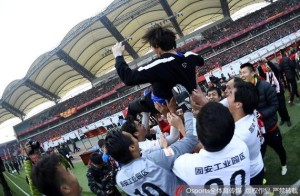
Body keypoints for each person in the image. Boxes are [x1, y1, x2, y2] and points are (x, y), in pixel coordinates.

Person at [105, 84, 198, 195]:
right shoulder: (154, 159)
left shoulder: (120, 179)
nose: (135, 138)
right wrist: (186, 106)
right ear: (132, 147)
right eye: (131, 137)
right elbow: (191, 140)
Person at [112, 25, 204, 118]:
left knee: (132, 106)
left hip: (162, 102)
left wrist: (118, 55)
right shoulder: (190, 55)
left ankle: (129, 129)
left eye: (152, 47)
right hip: (187, 95)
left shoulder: (159, 64)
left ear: (157, 47)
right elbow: (201, 61)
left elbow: (128, 78)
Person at [172, 102, 251, 189]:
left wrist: (180, 127)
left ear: (198, 137)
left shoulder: (186, 164)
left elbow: (165, 160)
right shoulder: (241, 146)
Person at [240, 62, 287, 175]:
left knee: (279, 148)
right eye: (240, 73)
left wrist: (261, 114)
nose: (242, 75)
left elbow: (275, 105)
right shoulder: (243, 90)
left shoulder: (265, 86)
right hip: (255, 131)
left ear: (253, 73)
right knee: (259, 153)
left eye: (244, 72)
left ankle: (284, 164)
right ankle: (261, 167)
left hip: (270, 127)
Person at [225, 77, 264, 185]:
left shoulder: (238, 134)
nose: (227, 94)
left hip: (251, 176)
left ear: (238, 104)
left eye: (230, 93)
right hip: (257, 165)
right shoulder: (250, 112)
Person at [257, 60, 291, 127]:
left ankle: (287, 119)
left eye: (268, 66)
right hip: (272, 94)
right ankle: (283, 119)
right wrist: (259, 65)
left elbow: (274, 68)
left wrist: (267, 61)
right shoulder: (266, 75)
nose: (268, 67)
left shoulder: (276, 72)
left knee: (283, 107)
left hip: (279, 92)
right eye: (267, 67)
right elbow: (260, 73)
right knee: (278, 108)